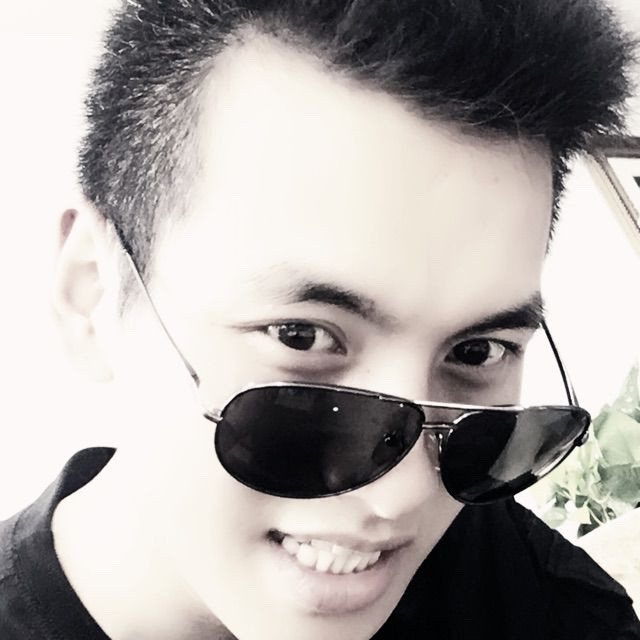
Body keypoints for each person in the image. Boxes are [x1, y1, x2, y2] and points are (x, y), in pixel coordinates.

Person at [1, 0, 639, 638]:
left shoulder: (557, 609)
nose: (402, 497)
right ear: (92, 291)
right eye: (301, 336)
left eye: (476, 352)